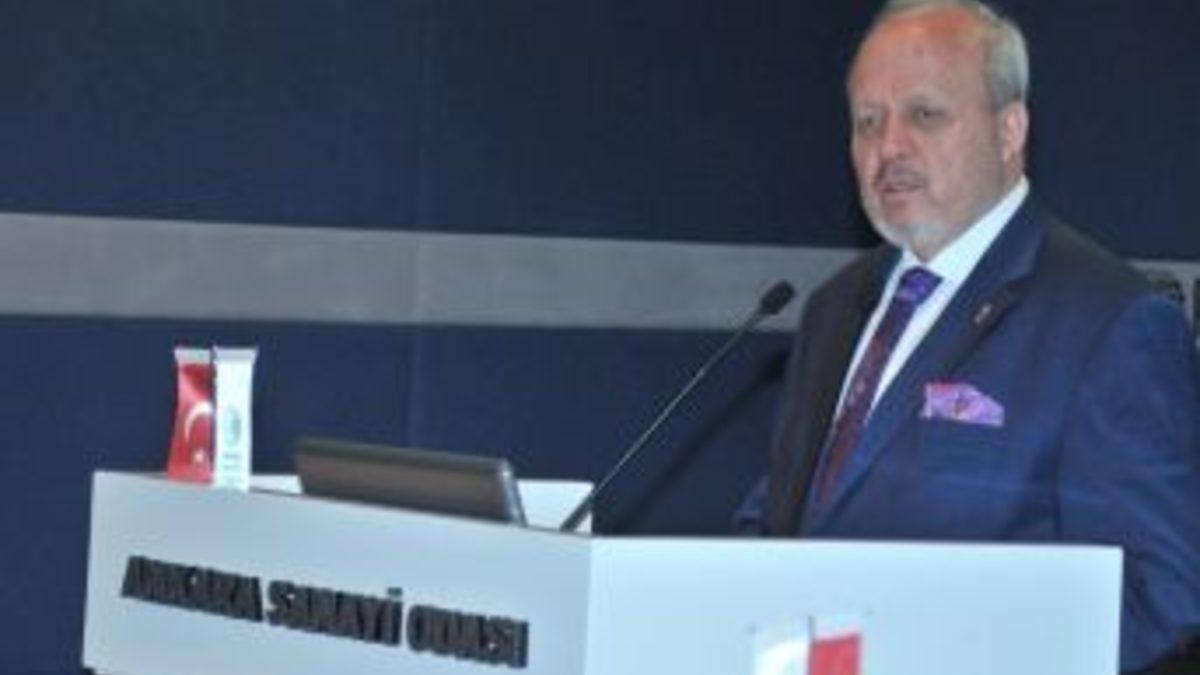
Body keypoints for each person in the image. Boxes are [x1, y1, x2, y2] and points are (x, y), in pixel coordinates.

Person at [734, 0, 1200, 671]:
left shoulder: (1109, 322)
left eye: (924, 115)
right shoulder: (835, 307)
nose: (888, 147)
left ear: (1009, 131)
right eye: (867, 122)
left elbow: (1163, 595)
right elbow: (783, 522)